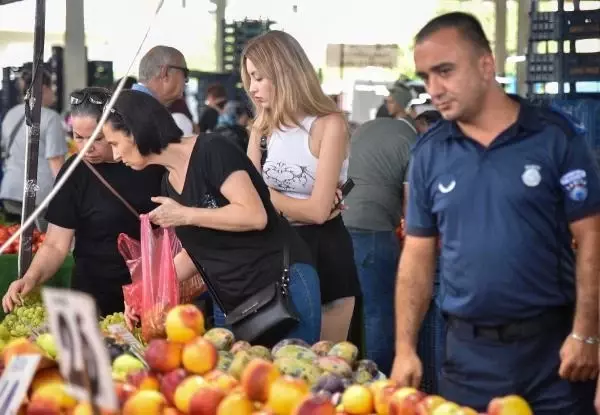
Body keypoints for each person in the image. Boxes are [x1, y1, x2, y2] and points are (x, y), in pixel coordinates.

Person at [391, 12, 599, 414]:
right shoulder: (429, 154)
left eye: (445, 71)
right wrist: (405, 348)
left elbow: (593, 238)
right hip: (467, 358)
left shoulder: (556, 137)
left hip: (555, 354)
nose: (434, 88)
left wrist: (588, 333)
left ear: (486, 65)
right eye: (426, 77)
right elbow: (417, 257)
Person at [102, 90, 321, 345]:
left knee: (293, 376)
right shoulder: (168, 183)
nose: (116, 155)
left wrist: (185, 214)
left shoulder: (211, 149)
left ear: (135, 130)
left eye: (115, 143)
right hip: (238, 304)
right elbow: (196, 253)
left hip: (282, 285)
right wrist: (145, 293)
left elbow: (254, 215)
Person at [1, 87, 164, 316]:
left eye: (96, 138)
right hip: (94, 296)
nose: (87, 148)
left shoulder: (150, 164)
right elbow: (56, 244)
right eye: (79, 137)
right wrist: (30, 278)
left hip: (153, 292)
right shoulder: (74, 172)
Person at [242, 30, 361, 343]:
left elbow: (319, 213)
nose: (252, 88)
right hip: (275, 254)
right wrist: (299, 207)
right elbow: (245, 199)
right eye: (250, 78)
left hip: (326, 254)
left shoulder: (328, 124)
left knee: (328, 368)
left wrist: (265, 196)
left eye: (259, 77)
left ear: (284, 72)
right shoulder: (262, 128)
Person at [342, 117, 416, 375]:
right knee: (379, 312)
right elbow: (411, 205)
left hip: (336, 225)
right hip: (374, 231)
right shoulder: (412, 141)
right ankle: (379, 379)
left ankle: (342, 375)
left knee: (343, 310)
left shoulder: (363, 130)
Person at [0, 70, 68, 232]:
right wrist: (66, 194)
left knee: (15, 243)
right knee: (43, 243)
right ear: (43, 88)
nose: (54, 92)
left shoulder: (11, 114)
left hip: (10, 191)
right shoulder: (50, 117)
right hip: (39, 195)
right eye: (52, 87)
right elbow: (55, 160)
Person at [132, 46, 194, 135]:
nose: (186, 80)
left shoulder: (131, 105)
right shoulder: (142, 113)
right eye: (185, 73)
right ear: (165, 73)